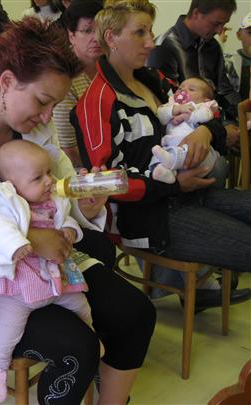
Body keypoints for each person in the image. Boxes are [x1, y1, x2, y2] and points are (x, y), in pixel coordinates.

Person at [0, 17, 156, 404]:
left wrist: (84, 205)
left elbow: (63, 196)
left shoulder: (33, 127)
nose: (48, 117)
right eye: (43, 101)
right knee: (76, 349)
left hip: (52, 266)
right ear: (7, 82)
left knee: (136, 313)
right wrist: (28, 240)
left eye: (54, 105)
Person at [72, 0, 251, 310]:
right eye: (139, 33)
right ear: (111, 38)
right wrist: (175, 184)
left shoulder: (153, 80)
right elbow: (108, 183)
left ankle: (205, 283)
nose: (151, 43)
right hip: (148, 215)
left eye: (150, 32)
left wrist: (207, 132)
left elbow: (205, 108)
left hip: (188, 194)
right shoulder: (97, 101)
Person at [0, 140, 102, 403]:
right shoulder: (3, 200)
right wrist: (15, 244)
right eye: (38, 177)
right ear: (11, 184)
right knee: (8, 329)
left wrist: (69, 229)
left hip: (54, 279)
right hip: (19, 285)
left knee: (82, 305)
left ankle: (91, 334)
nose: (48, 181)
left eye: (48, 173)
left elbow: (65, 216)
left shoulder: (51, 199)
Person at [147, 0, 240, 141]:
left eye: (223, 24)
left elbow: (225, 91)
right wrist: (220, 132)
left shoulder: (212, 46)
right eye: (216, 24)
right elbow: (166, 105)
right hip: (183, 134)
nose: (220, 31)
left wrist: (243, 114)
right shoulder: (164, 47)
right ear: (196, 13)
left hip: (214, 122)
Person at [53, 0, 103, 167]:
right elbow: (68, 148)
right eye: (87, 31)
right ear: (71, 35)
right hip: (80, 168)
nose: (96, 38)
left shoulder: (110, 65)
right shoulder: (64, 76)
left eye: (100, 30)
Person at [150, 77, 223, 185]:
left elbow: (206, 115)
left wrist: (189, 116)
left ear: (205, 100)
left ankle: (171, 163)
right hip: (170, 144)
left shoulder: (201, 106)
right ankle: (164, 172)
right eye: (180, 88)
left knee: (180, 153)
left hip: (192, 147)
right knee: (158, 155)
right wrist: (175, 109)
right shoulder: (172, 104)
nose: (183, 90)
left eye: (191, 89)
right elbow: (161, 116)